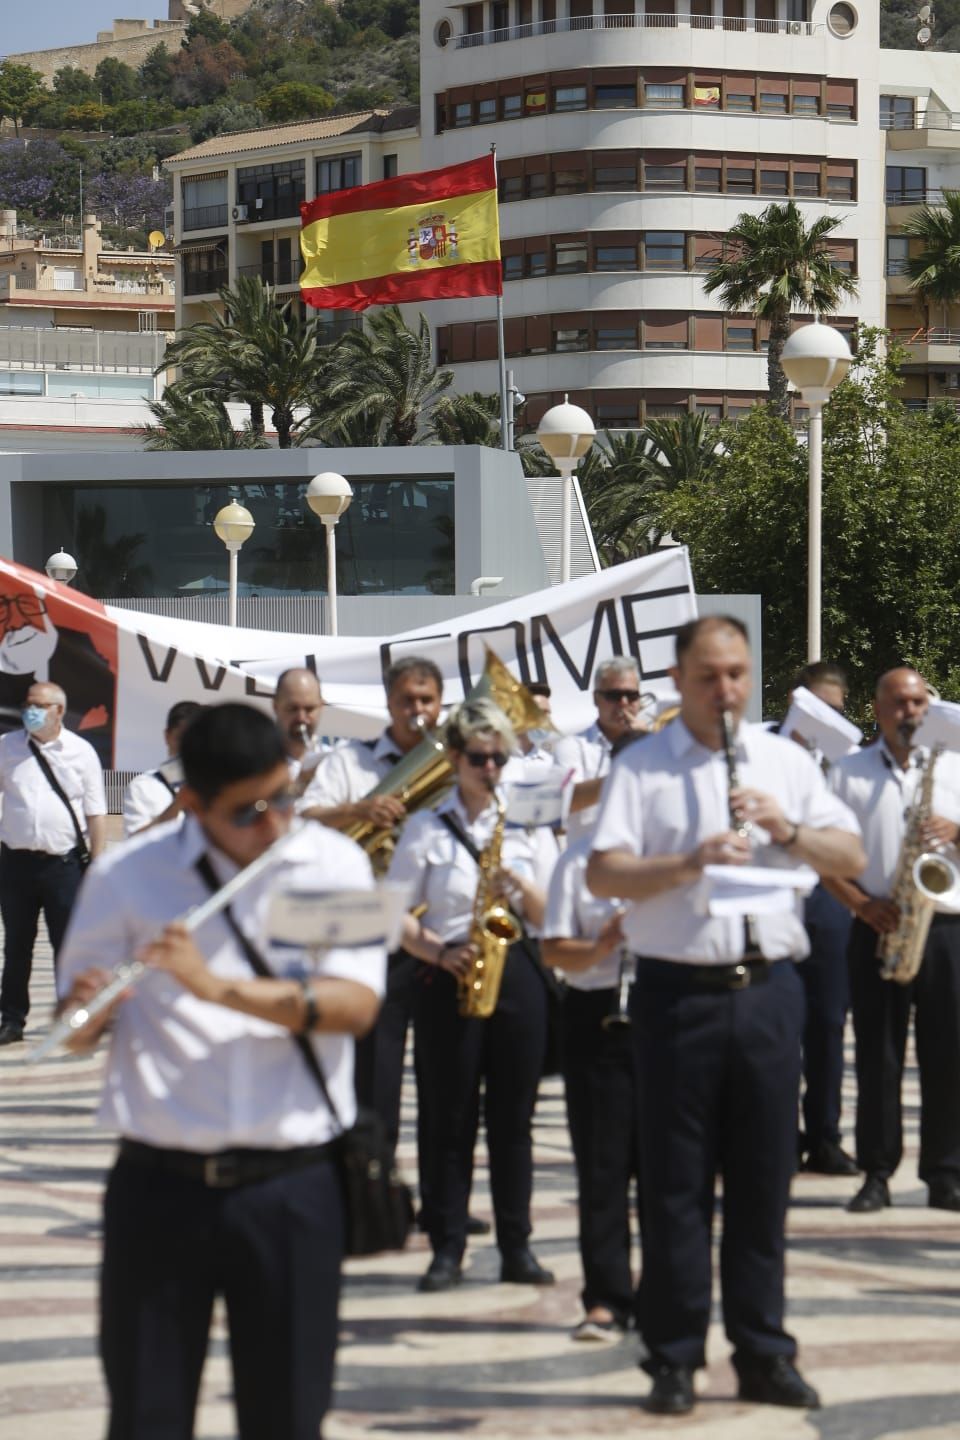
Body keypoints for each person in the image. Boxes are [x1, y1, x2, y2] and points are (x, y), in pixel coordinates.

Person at [56, 702, 386, 1440]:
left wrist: (214, 987)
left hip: (293, 1188)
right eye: (247, 811)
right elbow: (72, 1032)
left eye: (285, 798)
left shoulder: (333, 864)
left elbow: (355, 1004)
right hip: (158, 1189)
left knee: (289, 1416)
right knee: (147, 1413)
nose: (273, 824)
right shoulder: (127, 877)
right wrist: (88, 1012)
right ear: (194, 803)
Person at [587, 616, 864, 1416]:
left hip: (772, 992)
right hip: (678, 994)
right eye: (710, 675)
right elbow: (606, 872)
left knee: (762, 1179)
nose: (727, 689)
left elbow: (850, 859)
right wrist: (688, 862)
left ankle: (763, 1350)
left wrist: (789, 829)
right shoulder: (644, 766)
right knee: (675, 1187)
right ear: (680, 680)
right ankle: (673, 1356)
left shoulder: (786, 761)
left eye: (738, 673)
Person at [390, 697, 554, 1293]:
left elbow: (551, 913)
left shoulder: (527, 823)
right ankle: (447, 1245)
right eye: (480, 758)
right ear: (456, 758)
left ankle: (518, 1245)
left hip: (516, 974)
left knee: (514, 1121)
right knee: (447, 1119)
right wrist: (436, 951)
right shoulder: (425, 828)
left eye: (499, 758)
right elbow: (393, 914)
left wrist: (521, 885)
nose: (491, 769)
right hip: (450, 971)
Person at [303, 656, 445, 1201]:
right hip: (369, 936)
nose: (418, 710)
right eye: (408, 700)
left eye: (427, 700)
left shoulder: (454, 765)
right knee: (375, 1079)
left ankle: (440, 1199)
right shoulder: (349, 763)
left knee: (443, 1081)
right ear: (389, 703)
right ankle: (373, 1193)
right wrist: (359, 810)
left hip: (433, 937)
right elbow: (303, 819)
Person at [828, 667, 960, 1214]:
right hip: (878, 921)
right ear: (878, 710)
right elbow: (822, 854)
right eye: (899, 703)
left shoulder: (954, 764)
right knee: (878, 1058)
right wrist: (860, 904)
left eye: (917, 703)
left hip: (947, 927)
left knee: (949, 1057)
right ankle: (876, 1173)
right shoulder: (847, 773)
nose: (909, 712)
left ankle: (946, 1175)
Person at [543, 823, 637, 1341]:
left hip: (670, 1006)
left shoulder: (678, 859)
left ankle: (669, 1295)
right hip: (596, 1013)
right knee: (603, 1166)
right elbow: (554, 951)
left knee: (672, 1169)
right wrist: (605, 943)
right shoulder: (577, 861)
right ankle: (605, 1297)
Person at [783, 662, 859, 1177]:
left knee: (828, 1024)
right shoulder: (764, 746)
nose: (823, 719)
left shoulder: (852, 763)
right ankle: (779, 1135)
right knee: (777, 1027)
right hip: (778, 898)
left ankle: (825, 1135)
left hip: (831, 903)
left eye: (834, 710)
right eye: (814, 706)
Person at [0, 681, 107, 1045]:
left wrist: (98, 862)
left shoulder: (82, 752)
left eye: (40, 705)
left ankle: (70, 1018)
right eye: (28, 704)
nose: (31, 710)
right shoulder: (7, 747)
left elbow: (95, 812)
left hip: (64, 867)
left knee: (68, 946)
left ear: (59, 711)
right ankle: (11, 1020)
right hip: (15, 865)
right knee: (16, 945)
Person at [553, 657, 649, 842]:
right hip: (591, 858)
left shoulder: (652, 741)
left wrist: (649, 745)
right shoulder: (572, 746)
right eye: (614, 696)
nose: (623, 703)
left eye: (632, 696)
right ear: (596, 699)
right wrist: (624, 771)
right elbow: (565, 802)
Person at [121, 700, 204, 838]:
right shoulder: (143, 787)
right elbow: (134, 844)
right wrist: (178, 804)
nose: (188, 748)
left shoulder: (217, 786)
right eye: (182, 739)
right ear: (167, 736)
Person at [272, 667, 327, 798]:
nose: (301, 718)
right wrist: (301, 782)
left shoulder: (333, 760)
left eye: (309, 709)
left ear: (321, 707)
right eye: (292, 708)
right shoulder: (257, 760)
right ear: (276, 707)